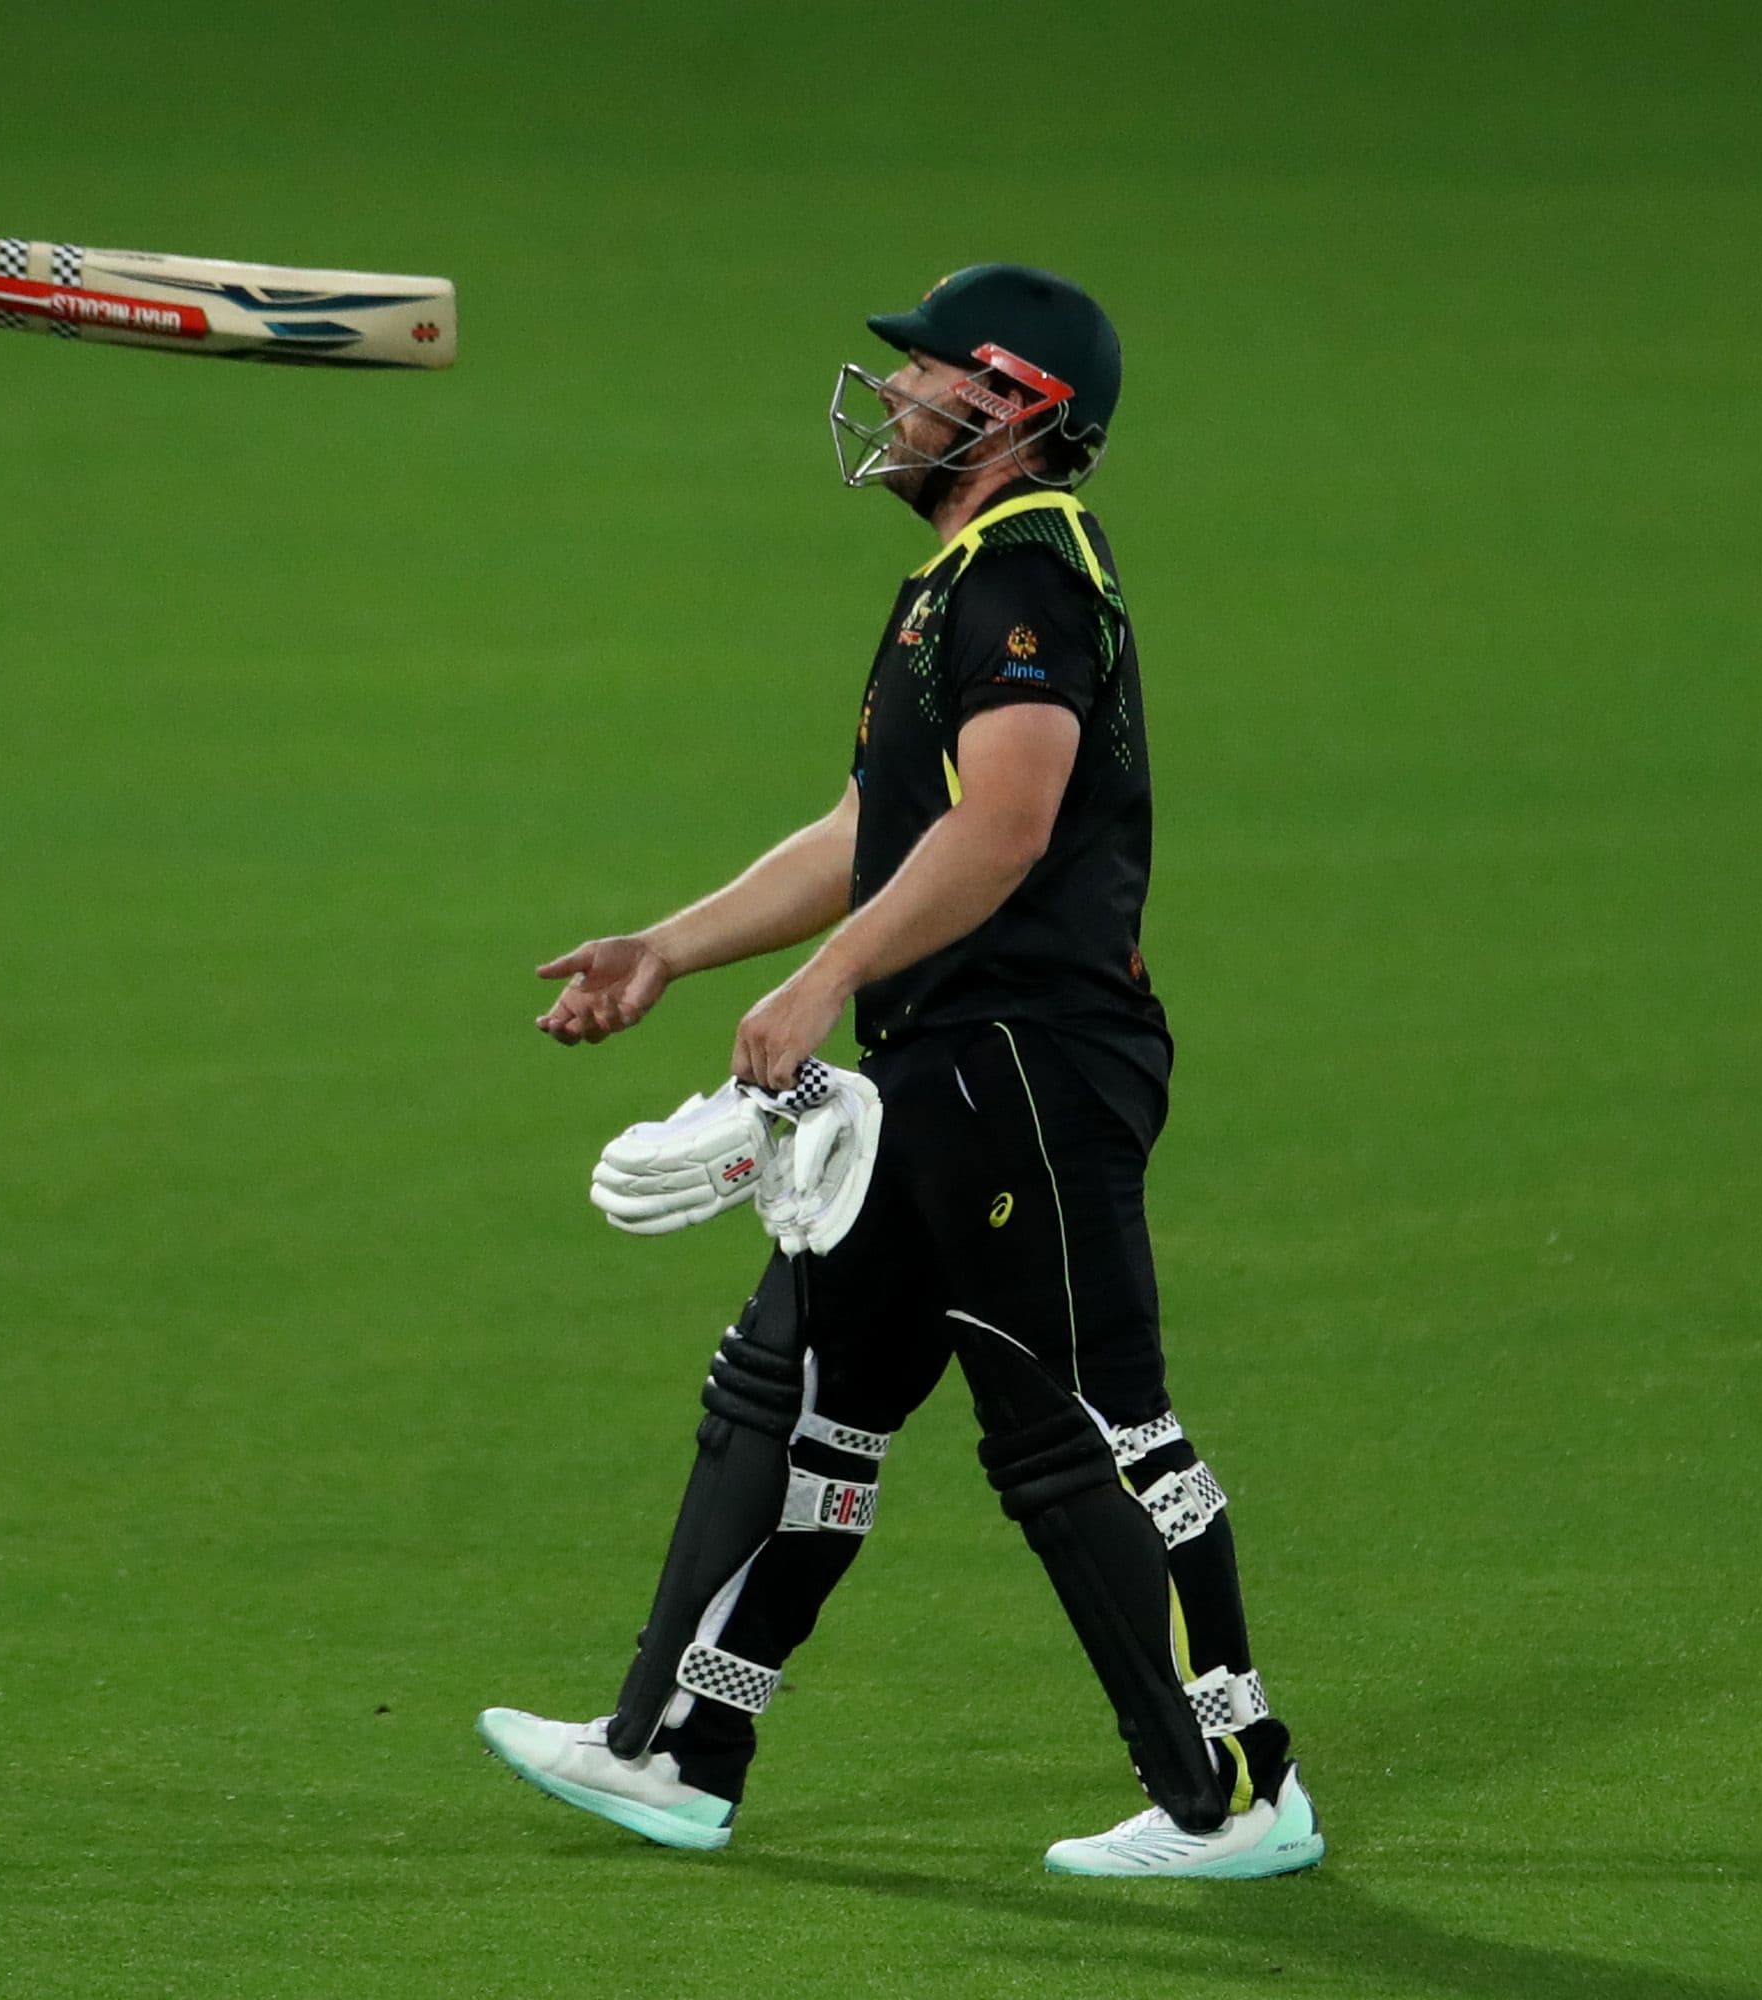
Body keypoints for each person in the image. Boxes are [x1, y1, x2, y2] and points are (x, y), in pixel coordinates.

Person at [476, 266, 1324, 1878]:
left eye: (930, 372)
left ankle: (1240, 1787)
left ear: (1013, 407)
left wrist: (825, 982)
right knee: (800, 1388)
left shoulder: (1028, 572)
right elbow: (875, 829)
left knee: (1087, 1425)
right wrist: (668, 948)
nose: (898, 397)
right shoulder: (957, 584)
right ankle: (676, 1745)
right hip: (937, 1071)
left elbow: (1003, 826)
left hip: (1030, 1067)